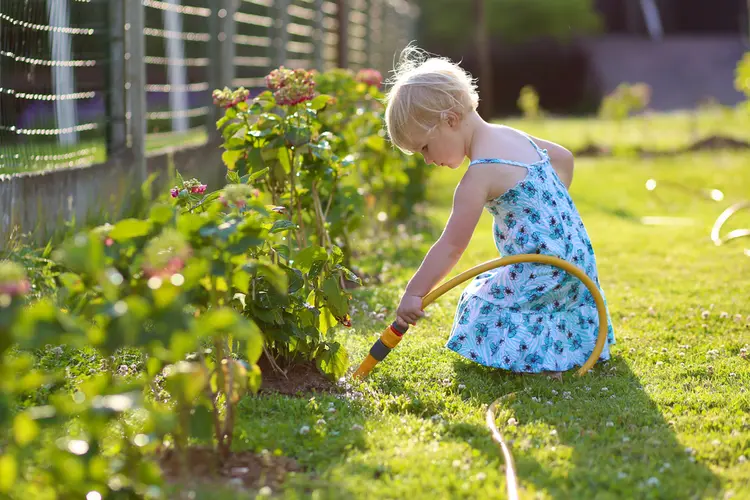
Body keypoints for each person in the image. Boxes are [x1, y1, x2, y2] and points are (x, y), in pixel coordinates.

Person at [385, 46, 616, 374]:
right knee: (508, 285)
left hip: (545, 270)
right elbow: (564, 157)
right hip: (579, 262)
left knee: (478, 298)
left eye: (423, 147)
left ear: (450, 120)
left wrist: (414, 292)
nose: (426, 159)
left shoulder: (478, 176)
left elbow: (451, 246)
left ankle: (540, 358)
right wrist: (548, 206)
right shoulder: (512, 135)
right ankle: (567, 347)